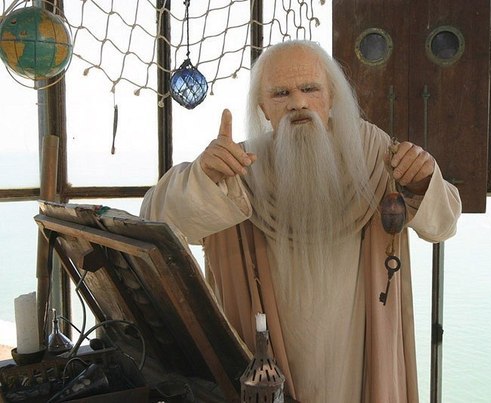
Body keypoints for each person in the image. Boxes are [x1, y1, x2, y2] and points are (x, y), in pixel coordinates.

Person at [140, 40, 461, 403]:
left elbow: (443, 224)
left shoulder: (374, 155)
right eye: (281, 93)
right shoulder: (240, 167)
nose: (298, 102)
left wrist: (422, 180)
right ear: (263, 107)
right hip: (263, 361)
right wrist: (205, 175)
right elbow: (156, 220)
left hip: (359, 354)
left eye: (310, 88)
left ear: (331, 96)